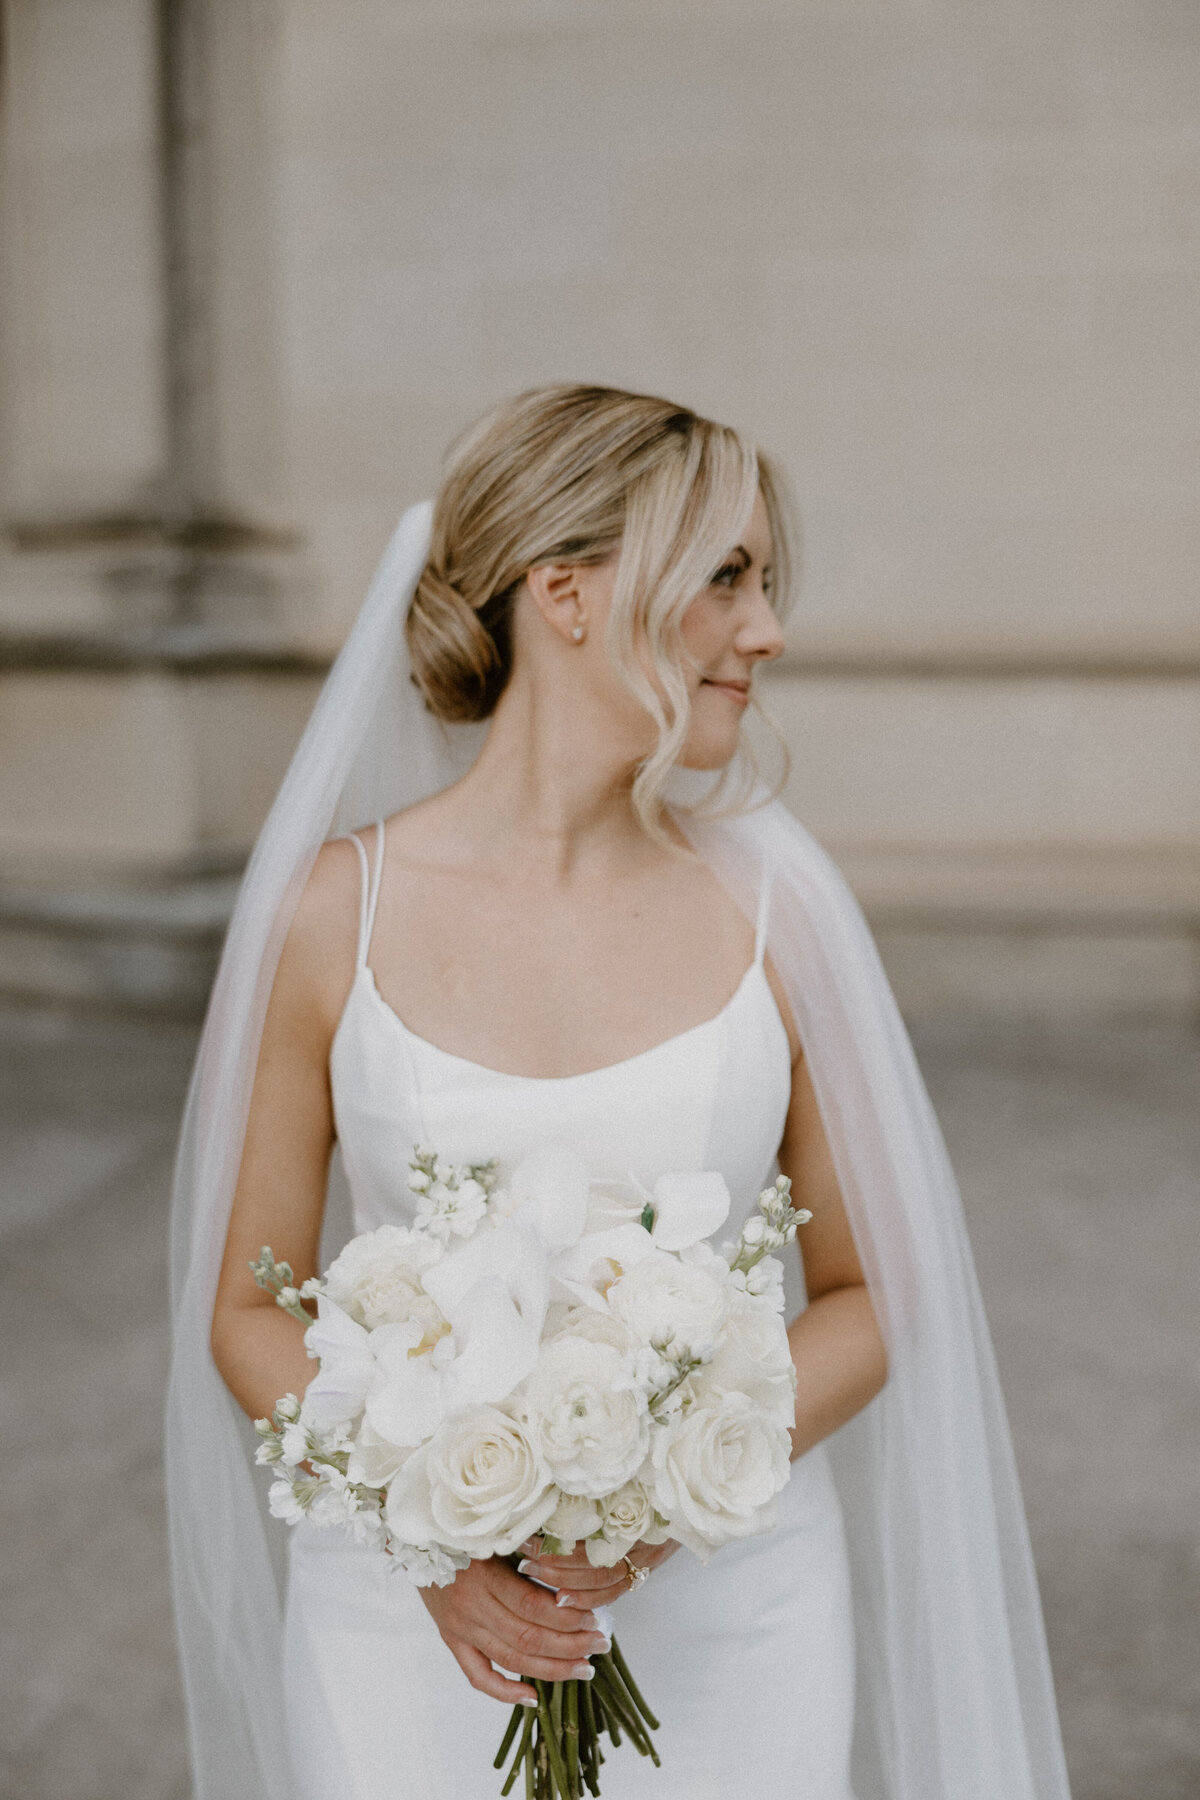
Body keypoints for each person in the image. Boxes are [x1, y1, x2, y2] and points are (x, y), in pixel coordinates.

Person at [167, 385, 1073, 1800]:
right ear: (567, 592)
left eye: (766, 585)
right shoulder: (335, 912)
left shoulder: (778, 910)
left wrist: (664, 1482)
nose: (766, 632)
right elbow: (245, 1307)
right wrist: (432, 1530)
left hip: (737, 1608)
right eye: (726, 578)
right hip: (406, 1622)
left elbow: (875, 1290)